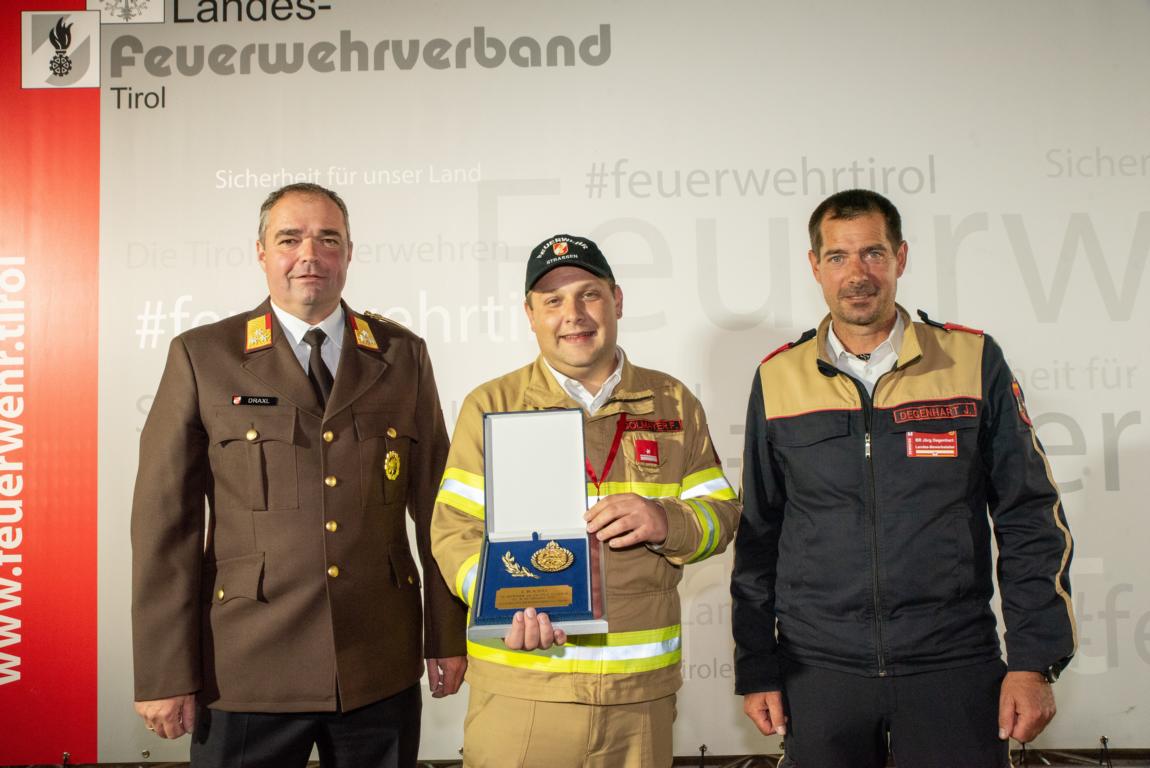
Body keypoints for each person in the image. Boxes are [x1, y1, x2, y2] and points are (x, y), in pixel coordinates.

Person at [731, 189, 1076, 767]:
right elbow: (758, 534)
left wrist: (1033, 661)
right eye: (838, 257)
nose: (857, 274)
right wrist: (757, 666)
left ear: (902, 258)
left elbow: (1028, 515)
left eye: (873, 253)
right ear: (814, 265)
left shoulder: (970, 359)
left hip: (953, 664)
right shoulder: (777, 377)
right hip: (818, 670)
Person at [131, 183, 467, 767]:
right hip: (246, 667)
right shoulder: (204, 355)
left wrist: (446, 636)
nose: (309, 254)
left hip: (376, 665)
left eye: (327, 239)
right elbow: (167, 524)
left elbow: (440, 506)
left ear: (349, 253)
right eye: (290, 239)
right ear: (261, 252)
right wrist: (165, 670)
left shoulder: (400, 354)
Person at [431, 234, 740, 767]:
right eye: (552, 300)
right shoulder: (491, 405)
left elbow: (722, 513)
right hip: (522, 688)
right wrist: (500, 599)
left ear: (616, 300)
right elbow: (453, 529)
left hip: (639, 697)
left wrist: (665, 520)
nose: (572, 314)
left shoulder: (673, 401)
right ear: (530, 314)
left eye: (588, 294)